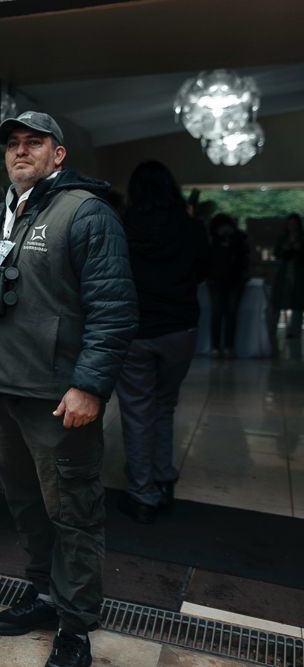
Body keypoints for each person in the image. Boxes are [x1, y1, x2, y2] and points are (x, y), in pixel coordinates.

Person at [0, 111, 136, 667]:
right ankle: (44, 596)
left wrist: (89, 386)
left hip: (60, 399)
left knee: (72, 511)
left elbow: (114, 310)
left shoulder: (86, 213)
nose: (21, 151)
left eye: (34, 142)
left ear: (58, 153)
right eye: (12, 144)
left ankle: (75, 625)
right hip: (7, 394)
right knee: (26, 505)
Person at [114, 161, 209, 524]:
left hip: (135, 330)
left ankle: (142, 493)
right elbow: (203, 271)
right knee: (165, 405)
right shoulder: (191, 227)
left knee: (137, 410)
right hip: (180, 330)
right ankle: (163, 478)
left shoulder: (123, 226)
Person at [206, 213, 249, 357]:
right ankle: (222, 347)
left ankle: (221, 347)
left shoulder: (234, 239)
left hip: (229, 281)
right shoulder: (215, 240)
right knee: (224, 314)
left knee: (224, 314)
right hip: (221, 281)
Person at [272, 212, 303, 339]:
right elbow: (277, 253)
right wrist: (287, 250)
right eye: (290, 223)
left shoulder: (301, 238)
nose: (292, 226)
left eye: (294, 223)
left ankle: (294, 331)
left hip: (299, 272)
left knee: (298, 303)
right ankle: (274, 330)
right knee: (281, 299)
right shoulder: (282, 238)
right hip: (284, 272)